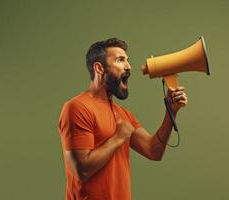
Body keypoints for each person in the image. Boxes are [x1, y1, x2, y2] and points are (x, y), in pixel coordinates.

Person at [58, 38, 188, 200]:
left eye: (128, 60)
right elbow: (81, 170)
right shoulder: (77, 107)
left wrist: (171, 111)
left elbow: (153, 151)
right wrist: (118, 137)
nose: (129, 66)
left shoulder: (123, 114)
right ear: (99, 68)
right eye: (120, 60)